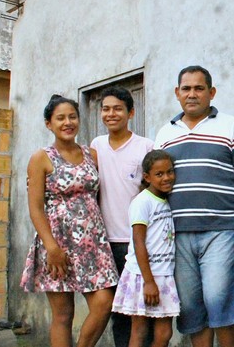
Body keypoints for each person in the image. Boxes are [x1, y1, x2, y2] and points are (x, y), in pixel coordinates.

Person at [154, 66, 234, 347]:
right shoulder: (165, 133)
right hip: (177, 233)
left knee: (220, 302)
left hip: (222, 230)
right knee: (191, 308)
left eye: (199, 88)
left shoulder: (230, 126)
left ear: (211, 93)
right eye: (186, 89)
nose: (192, 94)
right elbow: (156, 185)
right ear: (177, 93)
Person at [20, 95, 119, 347]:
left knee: (104, 303)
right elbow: (35, 208)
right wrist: (51, 247)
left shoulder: (91, 154)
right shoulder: (41, 157)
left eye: (72, 116)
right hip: (57, 243)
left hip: (93, 242)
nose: (68, 122)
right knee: (63, 315)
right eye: (60, 118)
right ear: (48, 124)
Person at [90, 86, 154, 347]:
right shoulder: (96, 146)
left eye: (117, 108)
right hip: (106, 244)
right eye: (106, 109)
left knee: (143, 311)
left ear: (131, 112)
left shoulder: (146, 146)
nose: (111, 114)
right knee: (119, 312)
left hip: (138, 242)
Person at [111, 149, 180, 347]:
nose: (166, 177)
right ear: (147, 177)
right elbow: (138, 242)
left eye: (170, 172)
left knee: (165, 333)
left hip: (165, 274)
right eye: (159, 174)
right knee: (139, 330)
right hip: (143, 276)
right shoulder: (142, 202)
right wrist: (149, 281)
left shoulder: (167, 201)